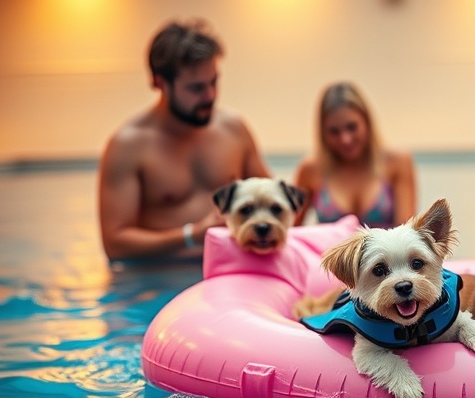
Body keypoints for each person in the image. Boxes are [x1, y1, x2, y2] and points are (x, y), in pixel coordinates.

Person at [97, 19, 271, 261]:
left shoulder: (234, 129)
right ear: (161, 84)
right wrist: (192, 235)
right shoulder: (128, 146)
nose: (210, 95)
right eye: (196, 88)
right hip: (161, 279)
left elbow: (273, 199)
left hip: (230, 268)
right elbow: (114, 243)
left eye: (214, 82)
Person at [292, 82, 416, 229]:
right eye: (334, 132)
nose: (345, 139)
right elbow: (290, 230)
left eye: (352, 127)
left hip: (385, 252)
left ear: (367, 122)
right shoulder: (310, 170)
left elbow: (406, 231)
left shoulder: (397, 162)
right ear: (323, 133)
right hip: (327, 251)